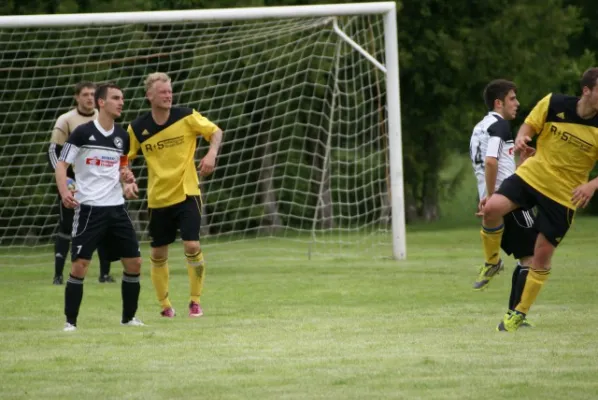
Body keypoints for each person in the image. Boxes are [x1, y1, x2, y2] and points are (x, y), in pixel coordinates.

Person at [480, 68, 598, 332]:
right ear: (587, 90)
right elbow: (529, 125)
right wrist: (523, 137)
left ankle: (518, 314)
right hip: (534, 174)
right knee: (492, 208)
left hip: (564, 195)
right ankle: (491, 262)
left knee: (541, 256)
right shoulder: (555, 102)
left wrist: (591, 185)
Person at [125, 72, 223, 318]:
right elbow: (123, 157)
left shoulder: (187, 116)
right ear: (150, 96)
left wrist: (212, 153)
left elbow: (216, 131)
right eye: (163, 92)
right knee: (159, 253)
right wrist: (125, 178)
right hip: (158, 198)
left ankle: (195, 301)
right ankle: (165, 306)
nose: (168, 96)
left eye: (170, 91)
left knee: (192, 244)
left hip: (187, 191)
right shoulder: (137, 128)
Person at [56, 83, 143, 331]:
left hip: (116, 208)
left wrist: (127, 179)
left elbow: (123, 167)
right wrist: (65, 192)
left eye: (122, 98)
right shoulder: (82, 133)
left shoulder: (122, 137)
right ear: (101, 102)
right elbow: (62, 165)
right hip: (89, 208)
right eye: (116, 98)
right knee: (80, 265)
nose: (121, 102)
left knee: (135, 262)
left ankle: (129, 319)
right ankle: (70, 323)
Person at [469, 79, 537, 326]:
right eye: (512, 98)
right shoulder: (501, 126)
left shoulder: (479, 127)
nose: (517, 104)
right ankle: (514, 318)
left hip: (498, 198)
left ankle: (493, 263)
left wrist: (520, 162)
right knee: (531, 258)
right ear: (499, 103)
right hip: (510, 200)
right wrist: (492, 197)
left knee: (525, 257)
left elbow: (495, 165)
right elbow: (490, 162)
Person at [48, 81, 115, 285]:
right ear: (77, 97)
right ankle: (58, 275)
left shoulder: (103, 117)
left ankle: (104, 274)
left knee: (105, 225)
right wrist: (65, 180)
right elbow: (53, 151)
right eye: (85, 94)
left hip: (100, 182)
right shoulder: (66, 120)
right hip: (73, 182)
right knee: (67, 226)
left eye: (92, 94)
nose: (89, 98)